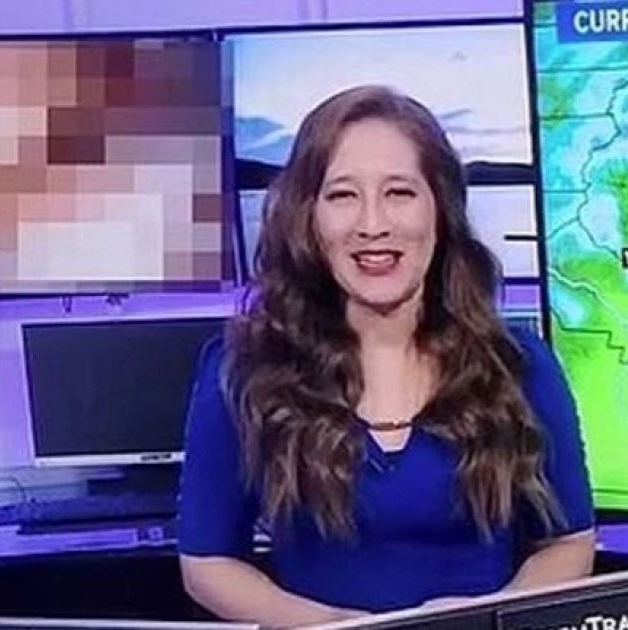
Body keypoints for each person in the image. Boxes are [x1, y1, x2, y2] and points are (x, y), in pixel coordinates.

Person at [177, 85, 596, 628]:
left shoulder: (518, 365)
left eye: (399, 192)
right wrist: (337, 626)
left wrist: (486, 618)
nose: (372, 224)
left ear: (440, 209)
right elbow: (207, 564)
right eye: (342, 195)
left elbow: (569, 543)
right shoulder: (242, 369)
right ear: (308, 217)